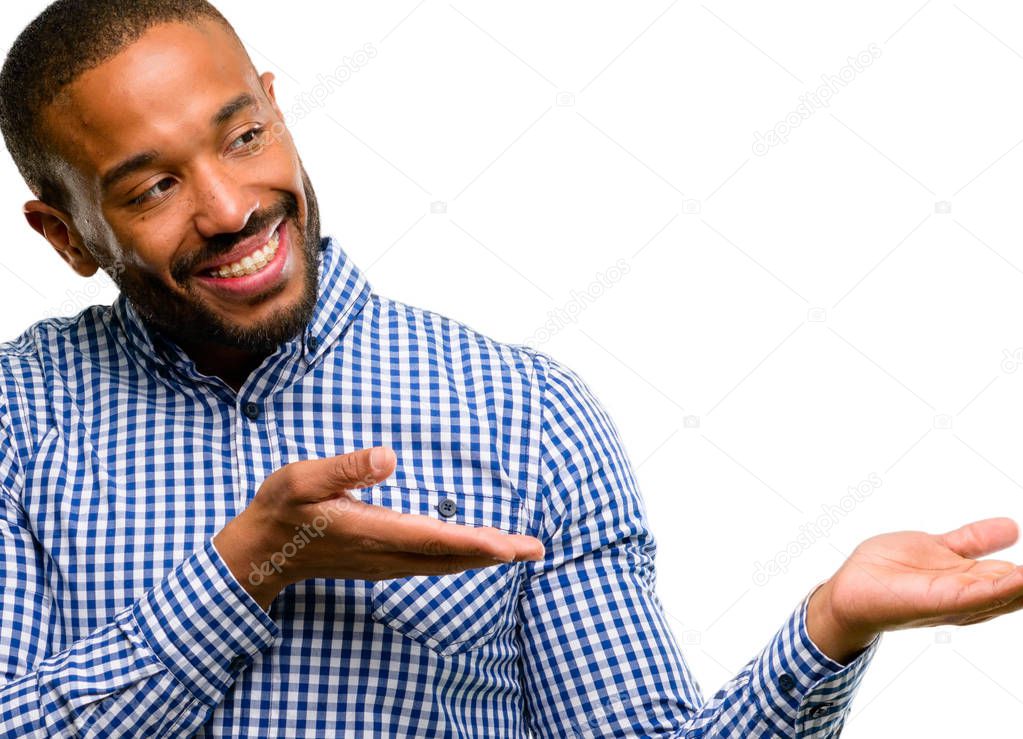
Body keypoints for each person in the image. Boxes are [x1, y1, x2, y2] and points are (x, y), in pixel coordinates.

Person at [1, 1, 1022, 736]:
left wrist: (829, 628)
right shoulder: (18, 414)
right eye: (150, 189)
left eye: (246, 136)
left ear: (276, 106)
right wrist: (250, 566)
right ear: (65, 236)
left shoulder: (522, 412)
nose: (229, 208)